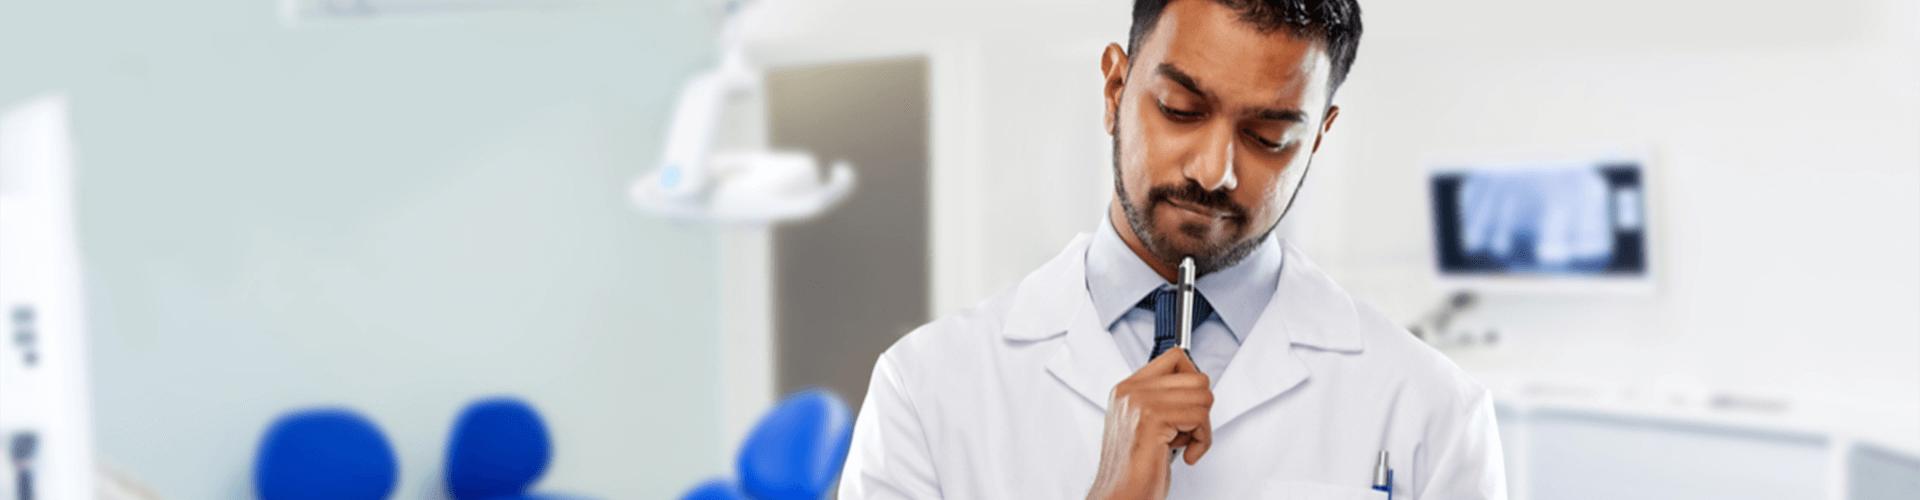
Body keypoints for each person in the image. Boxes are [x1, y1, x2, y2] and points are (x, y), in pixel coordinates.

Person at [837, 0, 1506, 498]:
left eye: (1268, 137)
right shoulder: (926, 389)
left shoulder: (1432, 409)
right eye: (1181, 110)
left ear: (1317, 140)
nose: (1214, 171)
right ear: (1114, 89)